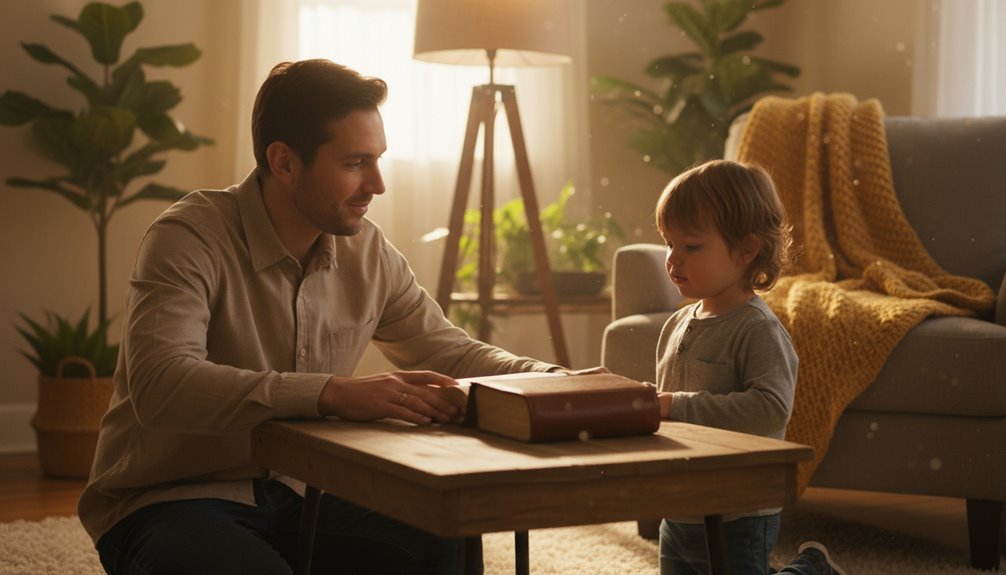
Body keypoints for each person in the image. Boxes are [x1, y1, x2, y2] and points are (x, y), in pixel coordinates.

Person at [78, 59, 580, 575]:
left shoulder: (368, 250)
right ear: (284, 162)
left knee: (446, 538)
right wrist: (331, 393)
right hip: (172, 498)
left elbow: (447, 350)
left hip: (307, 491)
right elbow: (162, 386)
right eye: (355, 163)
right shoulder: (189, 237)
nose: (378, 184)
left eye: (378, 160)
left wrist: (558, 382)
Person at [651, 160, 844, 575]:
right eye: (668, 243)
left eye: (691, 246)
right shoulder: (676, 325)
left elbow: (769, 409)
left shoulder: (758, 330)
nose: (672, 260)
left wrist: (674, 405)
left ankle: (813, 568)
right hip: (678, 509)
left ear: (745, 251)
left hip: (738, 513)